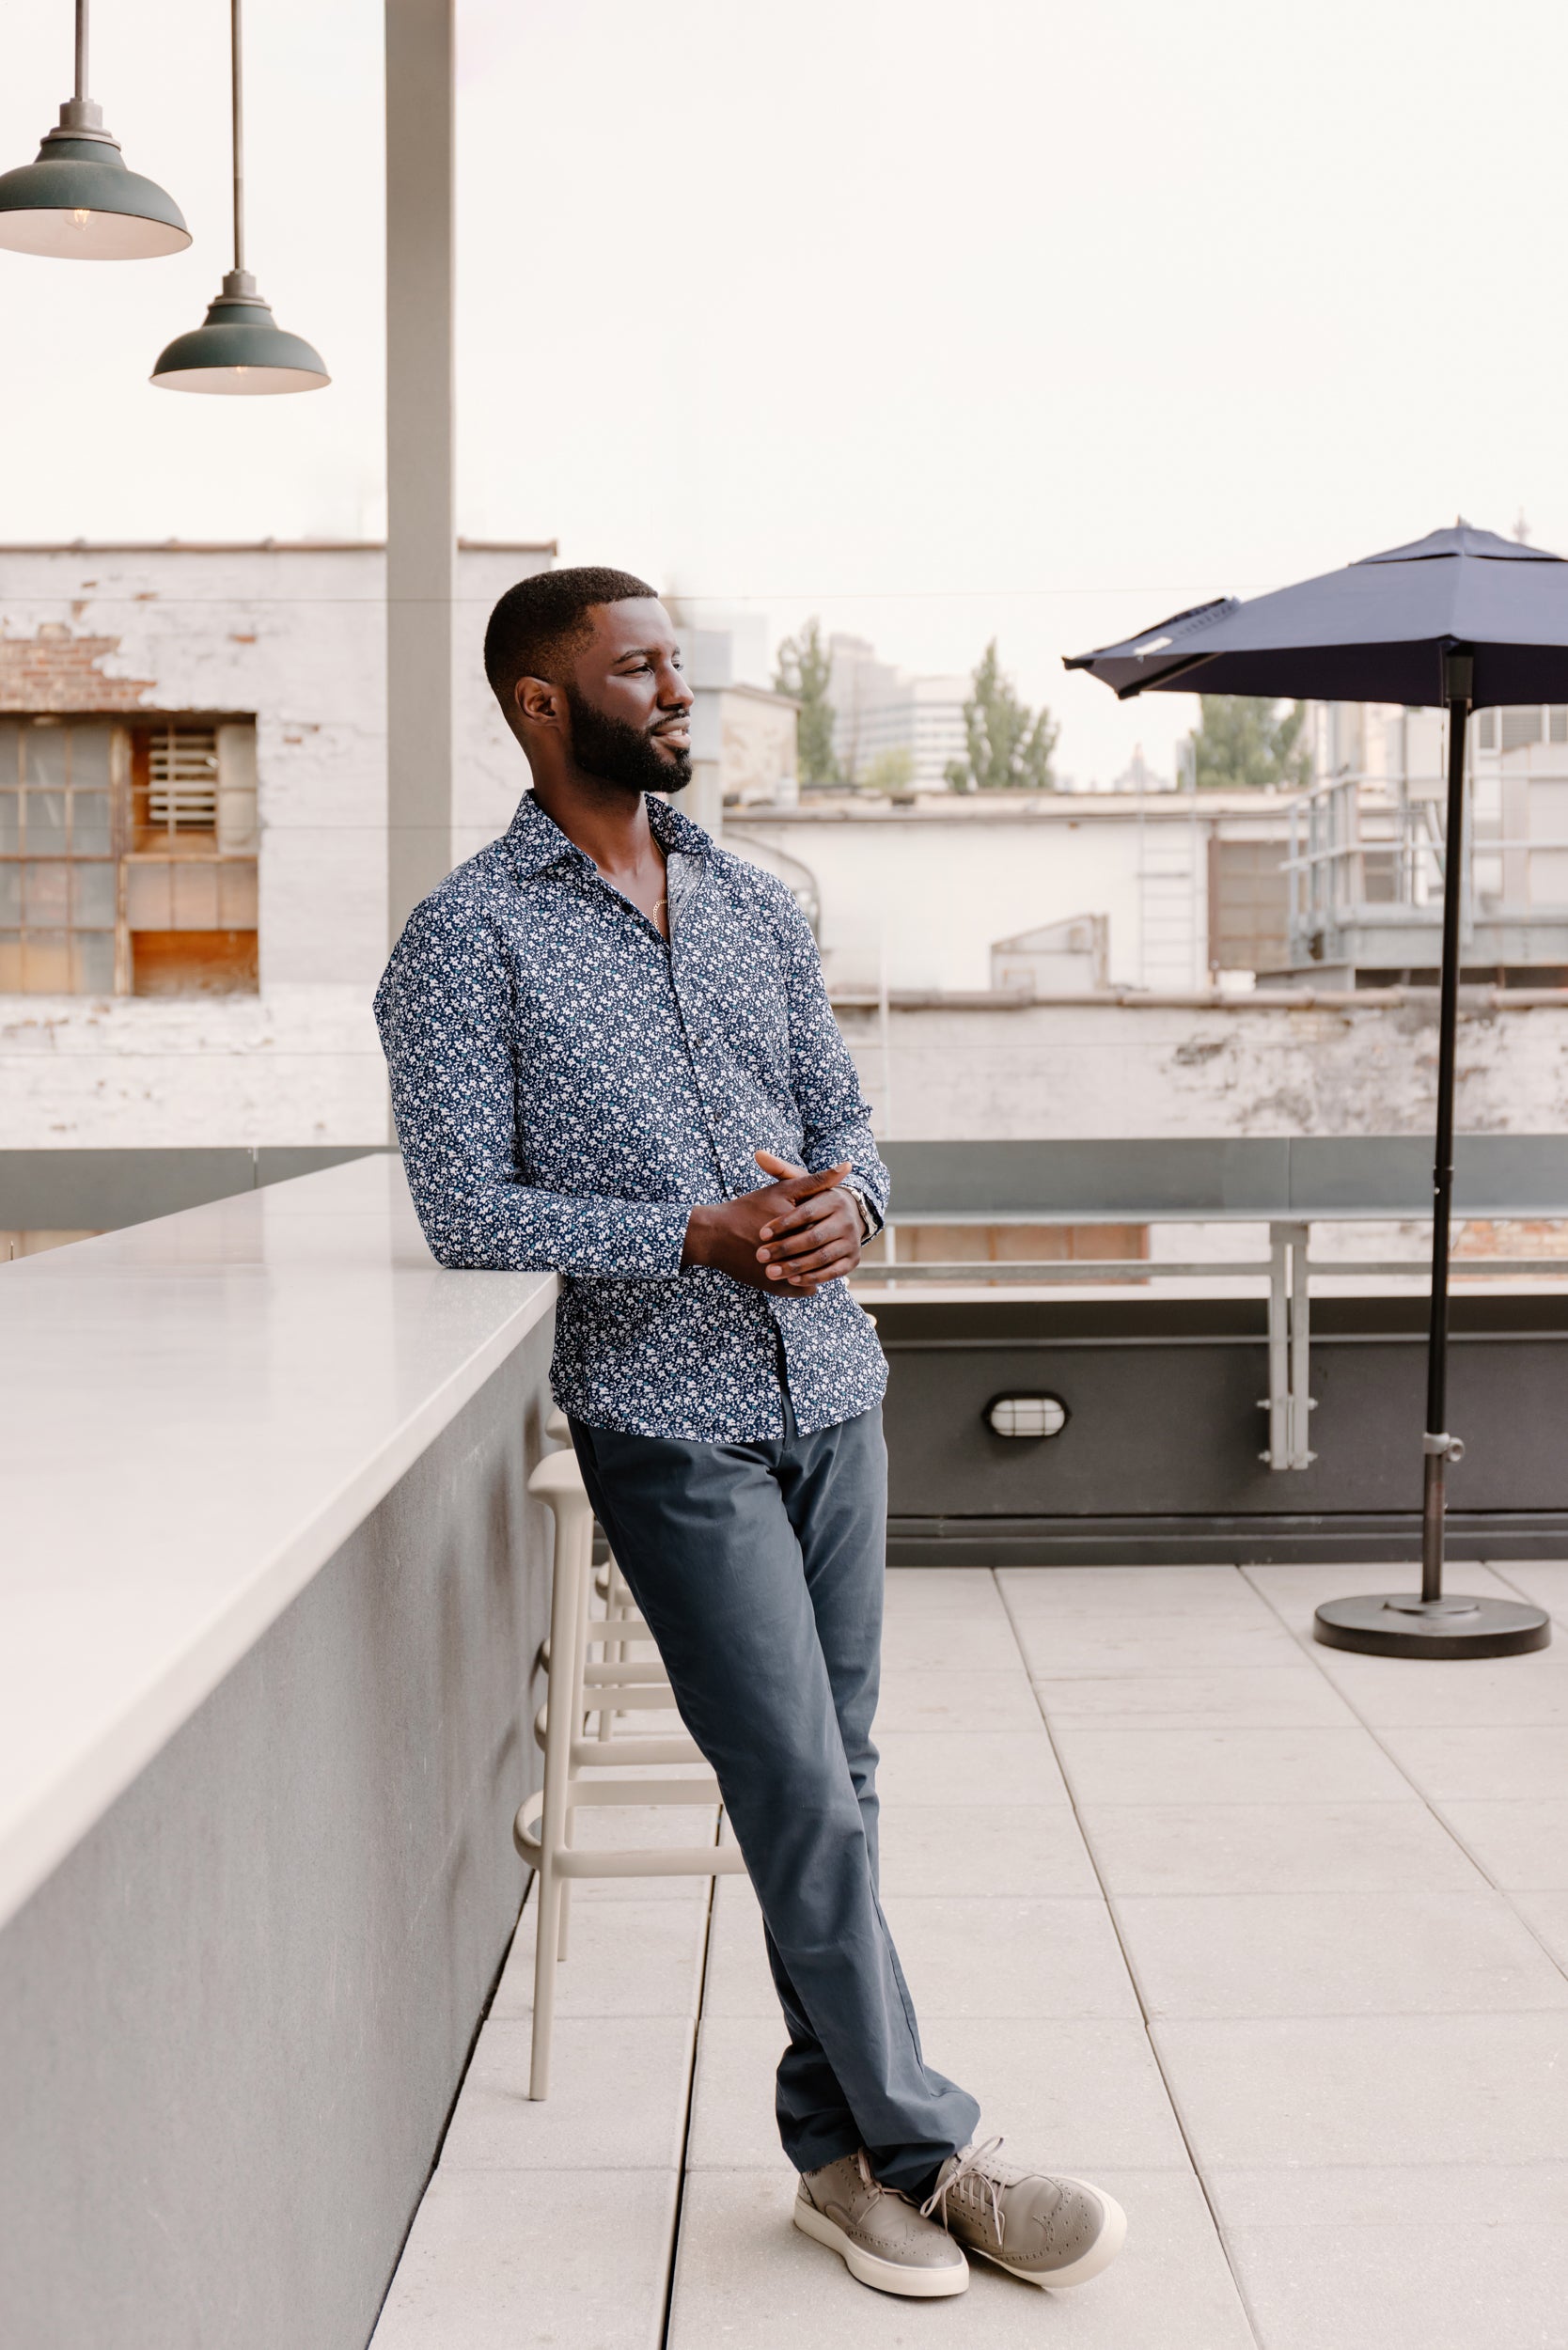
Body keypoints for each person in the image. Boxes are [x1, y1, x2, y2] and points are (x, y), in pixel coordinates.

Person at [374, 566, 1126, 2299]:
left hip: (833, 1393)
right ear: (541, 705)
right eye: (639, 670)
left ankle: (837, 2160)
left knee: (836, 1788)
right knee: (796, 1784)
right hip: (665, 1420)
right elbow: (465, 1210)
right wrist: (691, 1232)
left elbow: (857, 1127)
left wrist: (842, 1209)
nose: (680, 692)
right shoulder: (463, 940)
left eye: (680, 665)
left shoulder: (754, 903)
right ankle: (940, 2153)